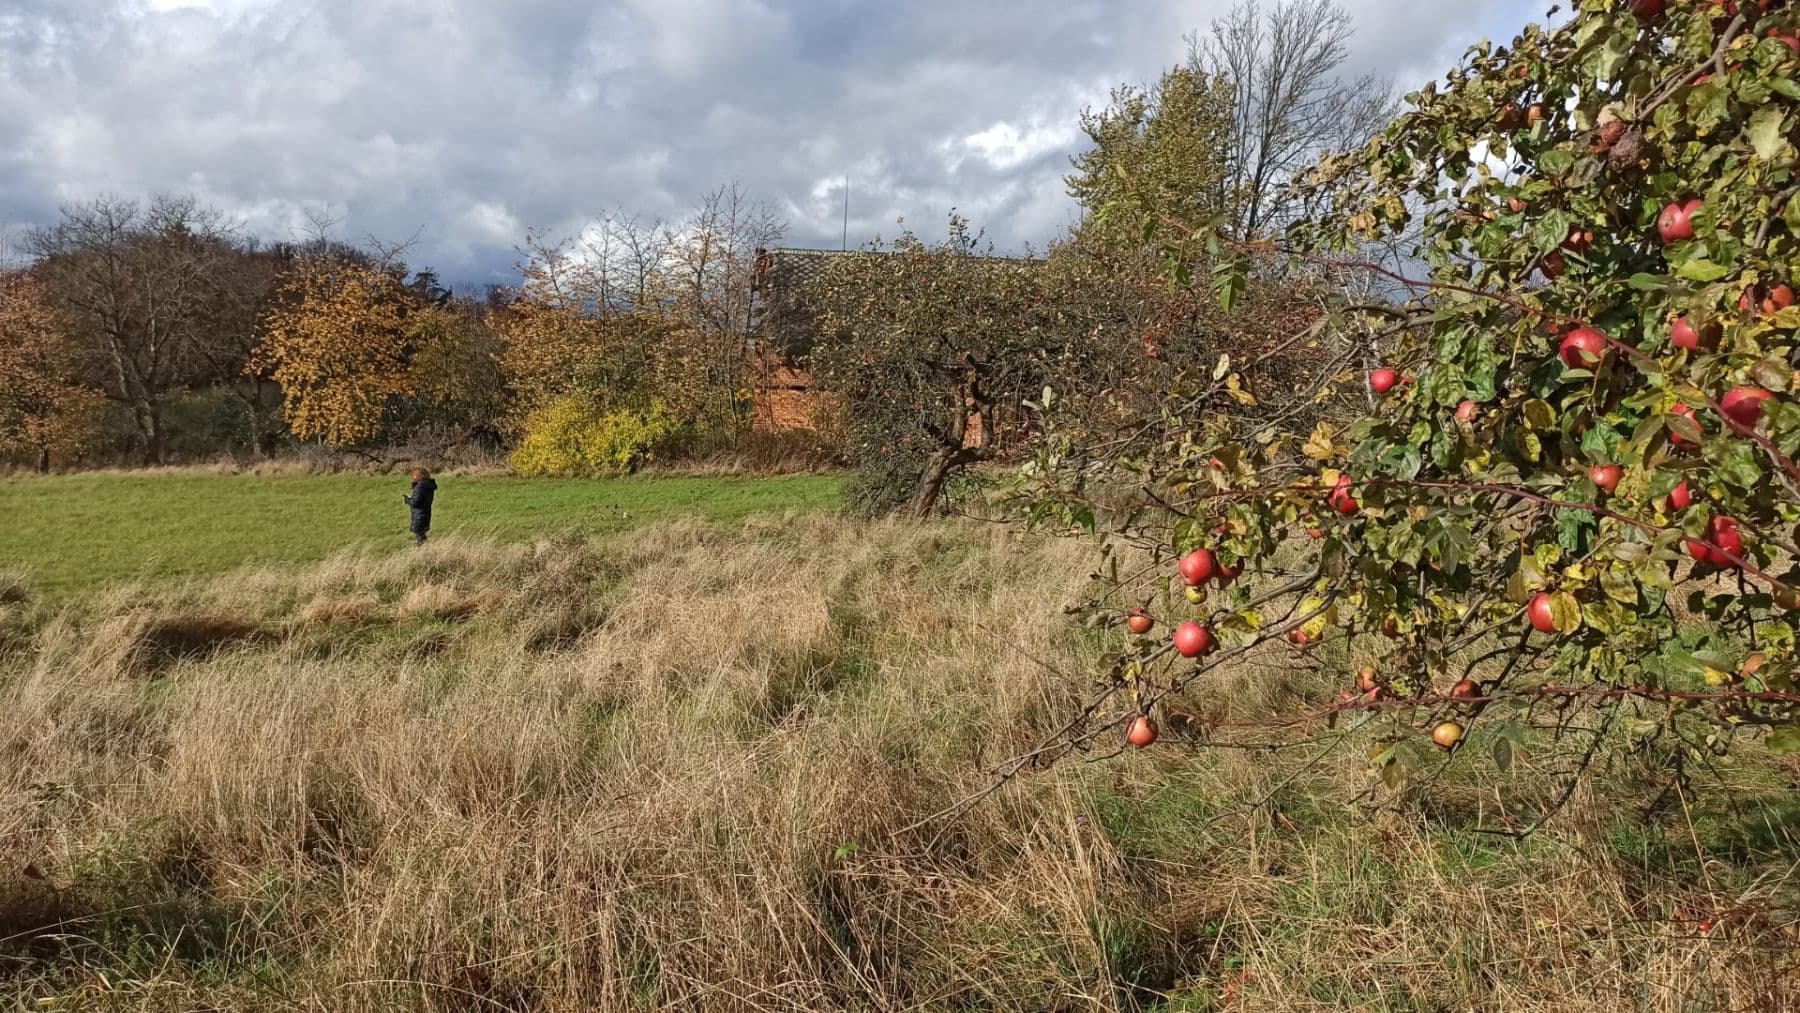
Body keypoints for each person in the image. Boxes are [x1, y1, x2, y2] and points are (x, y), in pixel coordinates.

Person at [402, 468, 437, 546]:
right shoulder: (427, 485)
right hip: (425, 513)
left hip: (419, 515)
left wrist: (407, 499)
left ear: (420, 475)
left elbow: (415, 502)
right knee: (422, 537)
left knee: (420, 538)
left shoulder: (420, 485)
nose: (413, 477)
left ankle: (424, 553)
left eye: (415, 475)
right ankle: (425, 552)